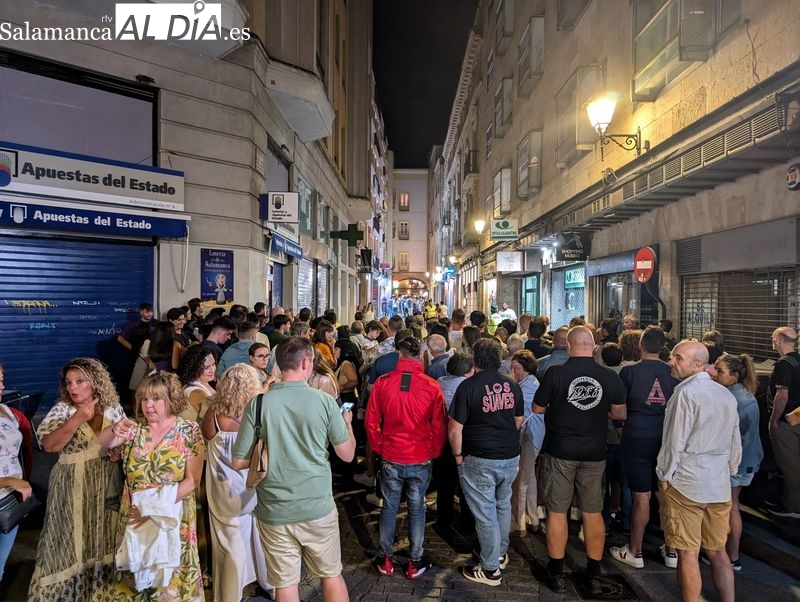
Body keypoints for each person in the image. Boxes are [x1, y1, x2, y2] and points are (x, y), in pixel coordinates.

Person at [232, 337, 355, 602]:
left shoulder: (259, 404)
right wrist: (348, 424)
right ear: (306, 362)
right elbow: (347, 455)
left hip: (274, 509)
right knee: (330, 574)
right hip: (317, 506)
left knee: (285, 585)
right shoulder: (324, 402)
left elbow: (238, 462)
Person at [533, 326, 627, 595]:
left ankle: (556, 571)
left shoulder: (556, 373)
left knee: (557, 510)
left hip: (560, 449)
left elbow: (538, 408)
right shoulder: (608, 377)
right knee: (592, 512)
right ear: (593, 347)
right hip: (595, 451)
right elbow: (620, 413)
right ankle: (594, 572)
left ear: (570, 347)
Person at [99, 372, 205, 600]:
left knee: (168, 585)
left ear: (171, 400)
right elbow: (103, 443)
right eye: (144, 399)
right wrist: (115, 428)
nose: (149, 405)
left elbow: (192, 480)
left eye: (156, 399)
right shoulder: (134, 430)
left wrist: (154, 508)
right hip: (134, 517)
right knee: (134, 583)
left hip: (171, 516)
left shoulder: (189, 431)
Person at [29, 358, 127, 600]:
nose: (73, 387)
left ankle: (97, 591)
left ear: (95, 382)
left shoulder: (113, 407)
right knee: (67, 536)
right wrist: (77, 419)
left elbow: (122, 441)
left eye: (80, 381)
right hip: (71, 482)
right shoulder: (63, 409)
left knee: (103, 532)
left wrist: (118, 453)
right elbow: (49, 445)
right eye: (69, 382)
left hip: (105, 480)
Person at [656, 340, 741, 602]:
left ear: (696, 365)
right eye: (673, 356)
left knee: (688, 552)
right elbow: (735, 440)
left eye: (678, 358)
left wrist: (664, 475)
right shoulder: (726, 395)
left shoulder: (684, 395)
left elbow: (674, 441)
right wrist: (730, 470)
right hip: (718, 485)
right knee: (718, 551)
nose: (672, 361)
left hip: (687, 484)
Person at [366, 337, 447, 579]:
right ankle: (415, 559)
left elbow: (372, 421)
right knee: (416, 506)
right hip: (419, 454)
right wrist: (434, 450)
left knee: (390, 506)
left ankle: (385, 557)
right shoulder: (431, 386)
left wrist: (380, 446)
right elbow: (439, 425)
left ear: (399, 353)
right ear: (420, 353)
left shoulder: (383, 383)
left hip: (392, 453)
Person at [449, 338, 525, 586]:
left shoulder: (468, 387)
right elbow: (518, 420)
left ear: (474, 358)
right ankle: (500, 553)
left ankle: (490, 568)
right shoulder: (512, 385)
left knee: (485, 512)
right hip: (509, 455)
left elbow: (455, 428)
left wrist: (458, 455)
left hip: (480, 457)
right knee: (502, 504)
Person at [201, 365, 273, 601]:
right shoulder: (257, 415)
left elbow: (206, 443)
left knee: (227, 546)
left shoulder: (212, 415)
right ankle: (268, 582)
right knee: (259, 540)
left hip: (222, 490)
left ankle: (229, 594)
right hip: (251, 489)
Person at [610, 326, 679, 570]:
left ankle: (635, 551)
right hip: (666, 437)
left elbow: (619, 409)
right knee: (667, 495)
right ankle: (671, 550)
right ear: (662, 347)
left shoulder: (629, 373)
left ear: (641, 345)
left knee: (642, 496)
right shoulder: (673, 372)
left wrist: (621, 428)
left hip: (636, 435)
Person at [713, 353, 763, 571]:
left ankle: (728, 556)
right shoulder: (743, 393)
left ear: (734, 376)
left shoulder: (732, 399)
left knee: (729, 507)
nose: (714, 374)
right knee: (733, 505)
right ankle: (730, 555)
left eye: (720, 371)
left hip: (738, 461)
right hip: (749, 459)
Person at [0, 364, 34, 587]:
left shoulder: (10, 413)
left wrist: (22, 481)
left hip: (10, 503)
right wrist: (10, 480)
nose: (2, 386)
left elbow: (24, 452)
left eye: (2, 379)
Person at [508, 350, 543, 535]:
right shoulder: (529, 383)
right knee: (529, 477)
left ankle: (518, 522)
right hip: (533, 436)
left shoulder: (527, 387)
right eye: (512, 368)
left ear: (527, 369)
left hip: (530, 436)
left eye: (517, 368)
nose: (514, 372)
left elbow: (515, 407)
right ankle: (533, 518)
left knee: (520, 480)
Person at [767, 326, 800, 518]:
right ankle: (786, 499)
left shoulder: (783, 365)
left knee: (789, 464)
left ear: (779, 340)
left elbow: (782, 395)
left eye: (773, 338)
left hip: (786, 424)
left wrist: (774, 420)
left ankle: (793, 506)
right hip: (797, 419)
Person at [177, 343, 217, 422]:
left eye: (213, 364)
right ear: (194, 368)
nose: (212, 370)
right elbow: (212, 419)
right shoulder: (196, 392)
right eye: (206, 367)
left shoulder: (203, 383)